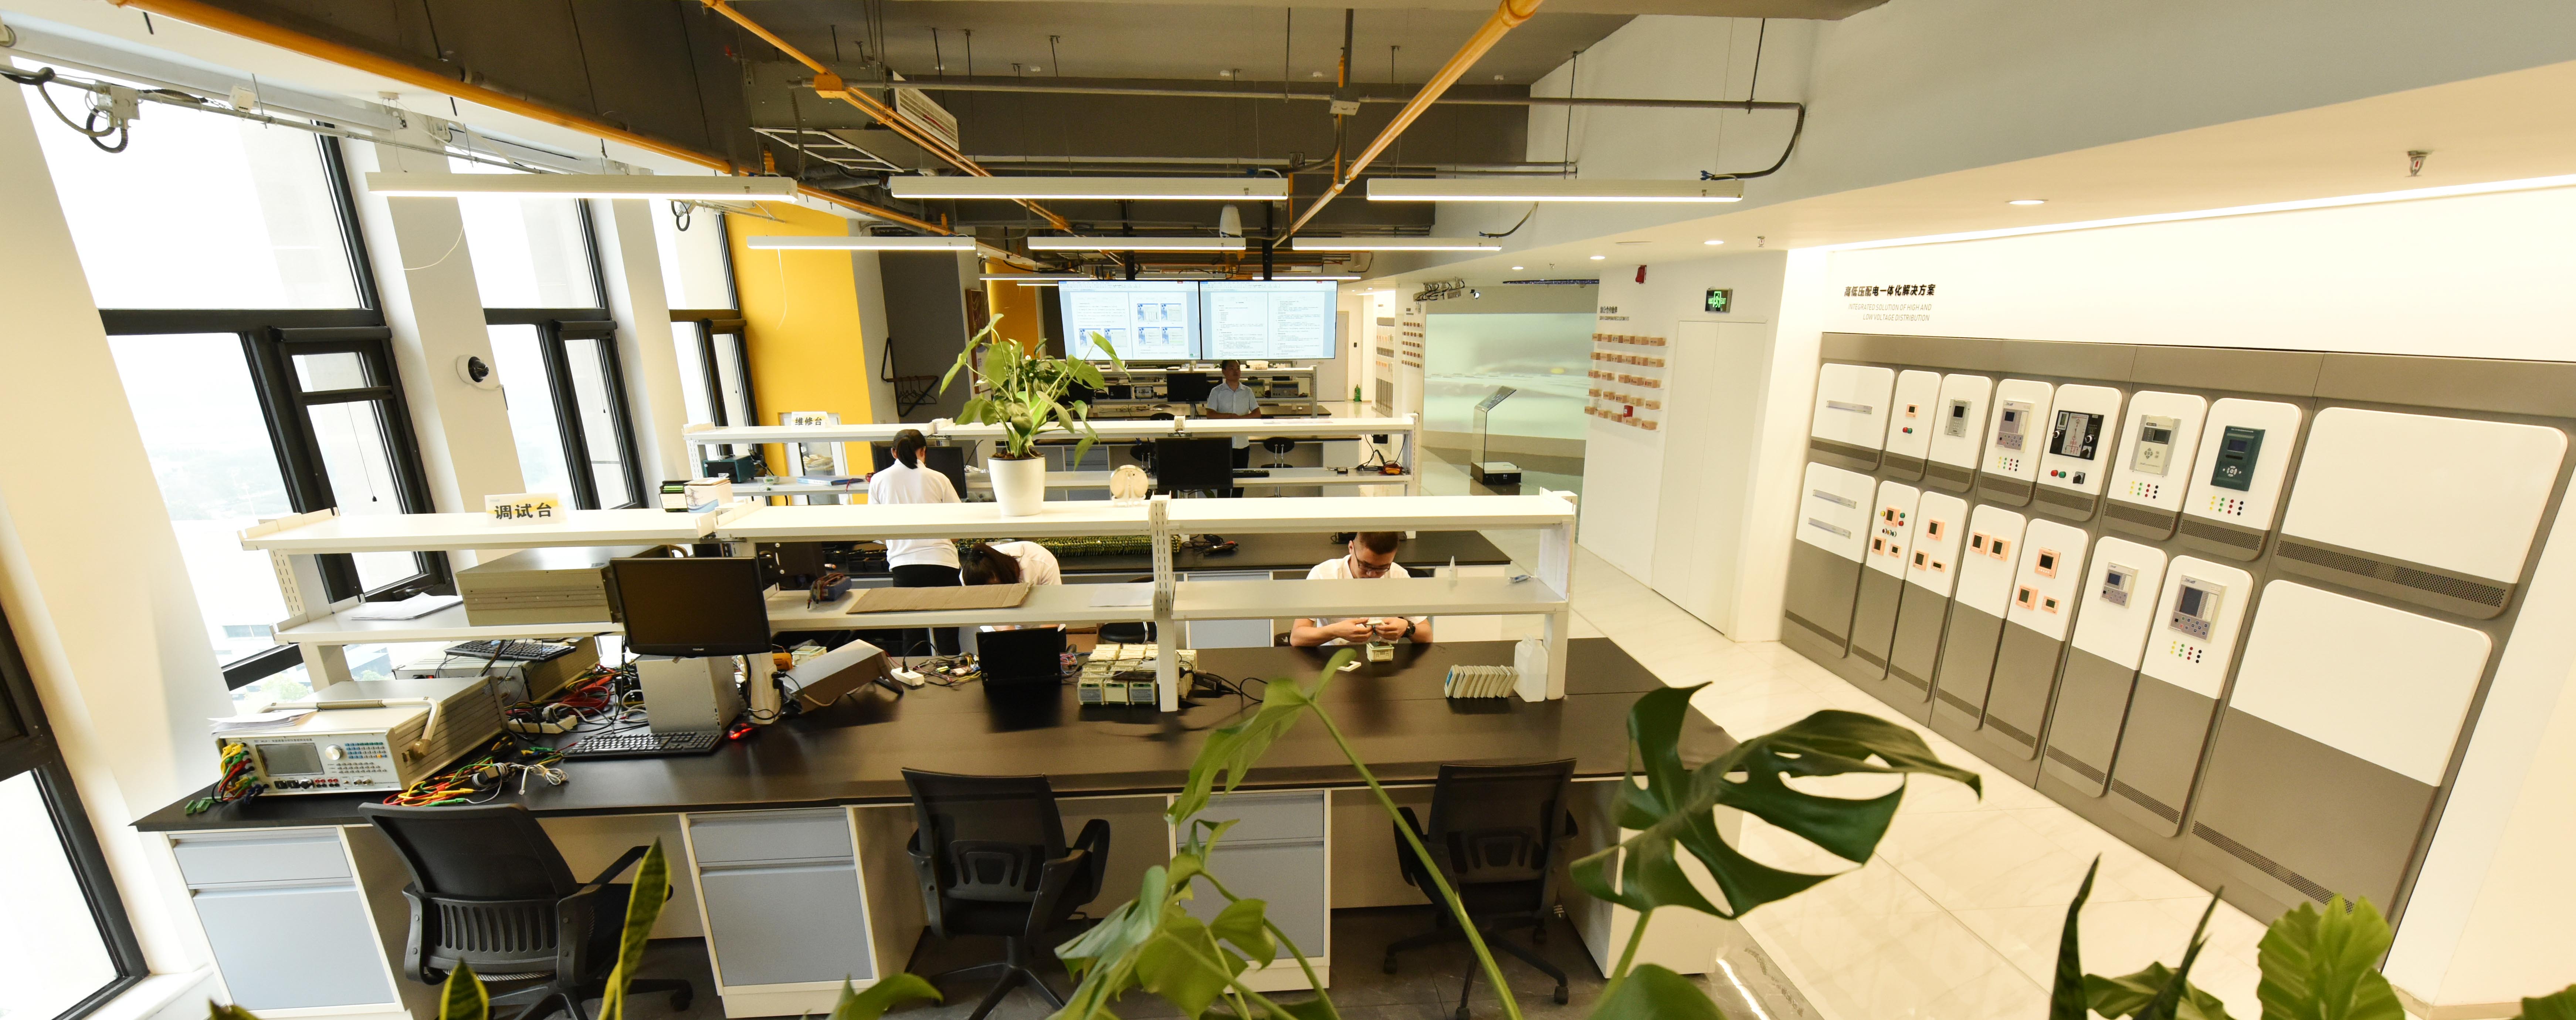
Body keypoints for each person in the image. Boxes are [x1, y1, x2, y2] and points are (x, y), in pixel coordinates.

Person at [868, 429, 963, 658]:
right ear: (924, 452)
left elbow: (876, 530)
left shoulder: (879, 480)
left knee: (913, 638)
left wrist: (899, 543)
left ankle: (916, 679)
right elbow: (959, 529)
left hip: (905, 568)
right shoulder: (939, 478)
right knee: (947, 637)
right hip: (943, 565)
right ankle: (955, 677)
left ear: (894, 453)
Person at [1288, 531, 1435, 647]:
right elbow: (1297, 637)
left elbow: (1427, 635)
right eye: (1365, 566)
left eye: (1382, 568)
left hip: (1383, 661)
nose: (1372, 575)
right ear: (1351, 548)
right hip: (1334, 660)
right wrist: (1335, 631)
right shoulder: (1324, 575)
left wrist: (1407, 628)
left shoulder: (1398, 576)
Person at [961, 541, 1064, 633]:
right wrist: (1010, 636)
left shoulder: (1041, 560)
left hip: (1042, 623)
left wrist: (1044, 641)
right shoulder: (969, 578)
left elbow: (1053, 612)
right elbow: (990, 614)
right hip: (1000, 628)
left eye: (997, 586)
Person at [1202, 360, 1261, 494]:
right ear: (1224, 372)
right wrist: (1229, 416)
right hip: (1223, 445)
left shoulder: (1247, 391)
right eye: (1232, 368)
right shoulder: (1217, 392)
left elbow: (1257, 413)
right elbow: (1210, 415)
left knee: (1240, 485)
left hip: (1242, 444)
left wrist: (1240, 419)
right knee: (1223, 485)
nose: (1236, 371)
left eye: (1238, 368)